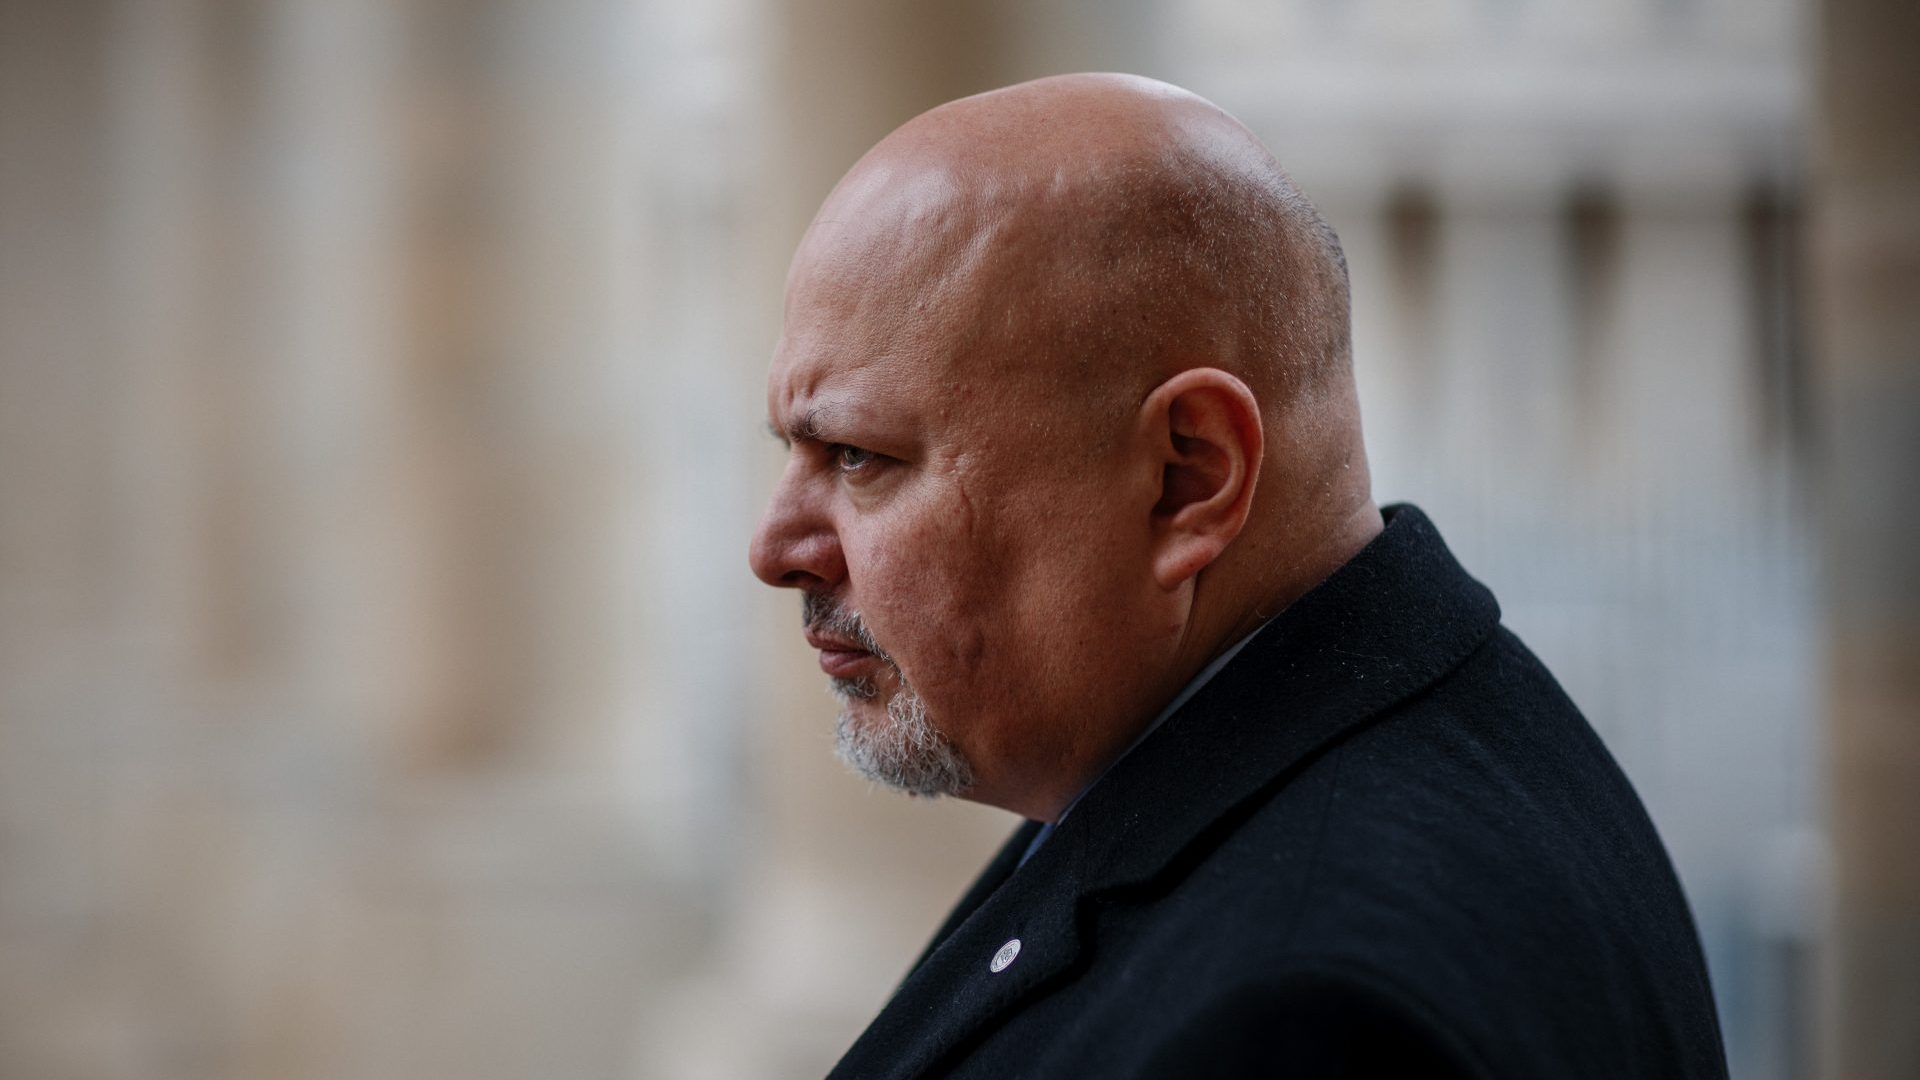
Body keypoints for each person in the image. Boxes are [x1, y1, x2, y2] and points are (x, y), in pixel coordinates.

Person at [748, 73, 1727, 1079]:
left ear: (1188, 478)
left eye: (859, 456)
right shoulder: (1352, 749)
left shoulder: (1306, 1017)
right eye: (792, 448)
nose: (775, 549)